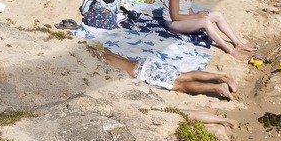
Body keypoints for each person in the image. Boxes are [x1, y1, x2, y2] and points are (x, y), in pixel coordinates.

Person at [163, 0, 253, 56]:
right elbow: (175, 16)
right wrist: (197, 16)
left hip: (183, 19)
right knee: (205, 22)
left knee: (218, 15)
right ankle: (229, 50)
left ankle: (238, 44)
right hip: (172, 23)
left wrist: (196, 18)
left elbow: (187, 7)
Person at [97, 46, 237, 101]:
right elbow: (107, 49)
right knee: (184, 75)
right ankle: (222, 77)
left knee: (179, 86)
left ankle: (217, 88)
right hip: (145, 63)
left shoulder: (99, 59)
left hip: (142, 72)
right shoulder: (104, 51)